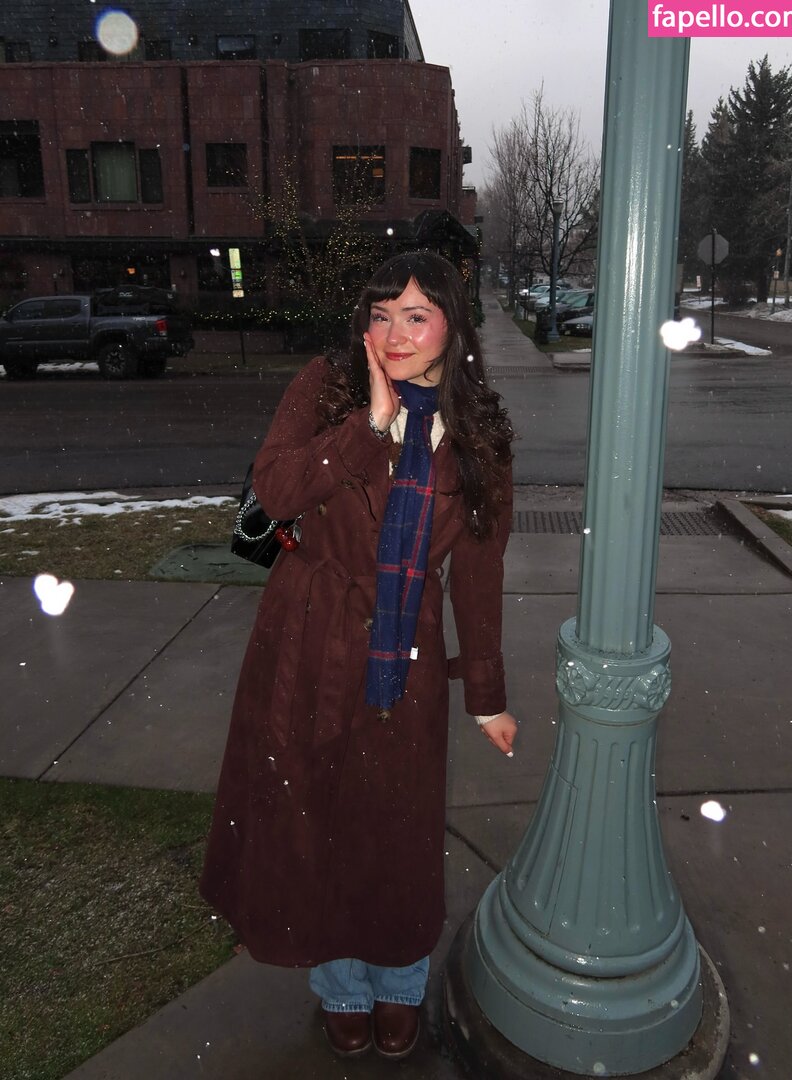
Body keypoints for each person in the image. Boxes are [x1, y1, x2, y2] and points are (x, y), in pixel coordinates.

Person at [200, 251, 517, 1062]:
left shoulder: (477, 428)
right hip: (306, 632)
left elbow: (478, 568)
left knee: (395, 827)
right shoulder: (326, 387)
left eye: (416, 315)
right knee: (312, 816)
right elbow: (274, 492)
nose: (395, 334)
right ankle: (340, 984)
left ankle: (399, 982)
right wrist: (367, 427)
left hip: (406, 651)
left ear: (452, 324)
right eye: (381, 314)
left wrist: (487, 694)